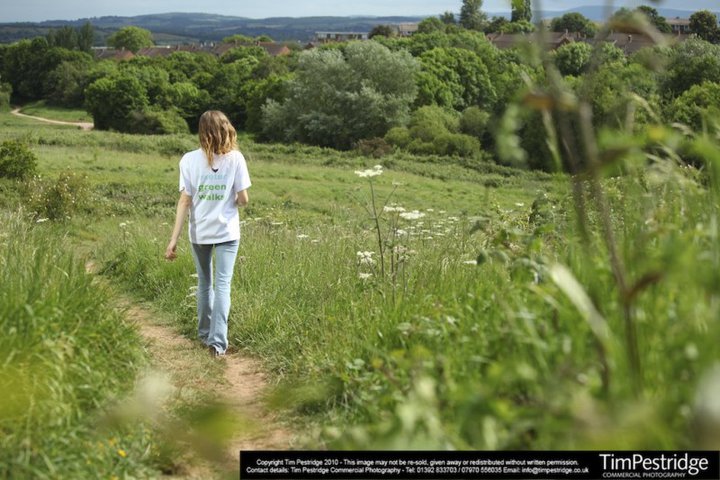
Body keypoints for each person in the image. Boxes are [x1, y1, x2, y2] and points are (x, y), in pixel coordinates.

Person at [165, 110, 251, 357]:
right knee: (223, 284)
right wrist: (232, 198)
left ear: (201, 132)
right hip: (227, 232)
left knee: (205, 283)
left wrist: (173, 241)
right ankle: (217, 343)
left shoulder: (188, 160)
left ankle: (204, 336)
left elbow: (184, 201)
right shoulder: (236, 159)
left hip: (199, 232)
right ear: (227, 129)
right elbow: (243, 199)